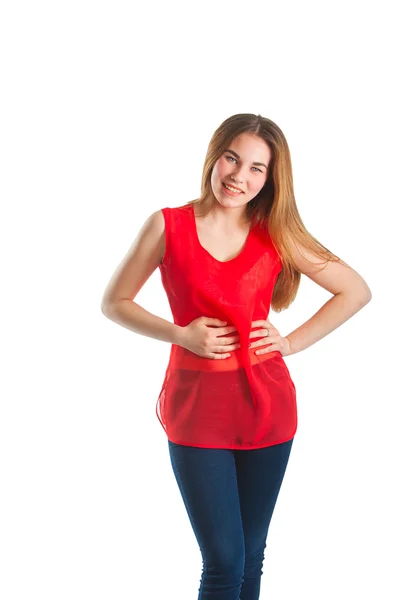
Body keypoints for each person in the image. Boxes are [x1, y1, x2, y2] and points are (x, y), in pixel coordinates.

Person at [101, 113, 372, 600]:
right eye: (232, 158)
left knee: (251, 554)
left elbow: (355, 290)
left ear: (270, 179)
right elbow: (114, 302)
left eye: (256, 169)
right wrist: (180, 335)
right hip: (197, 411)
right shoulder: (167, 225)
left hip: (268, 408)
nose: (239, 176)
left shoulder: (276, 231)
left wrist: (290, 343)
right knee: (224, 563)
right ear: (214, 154)